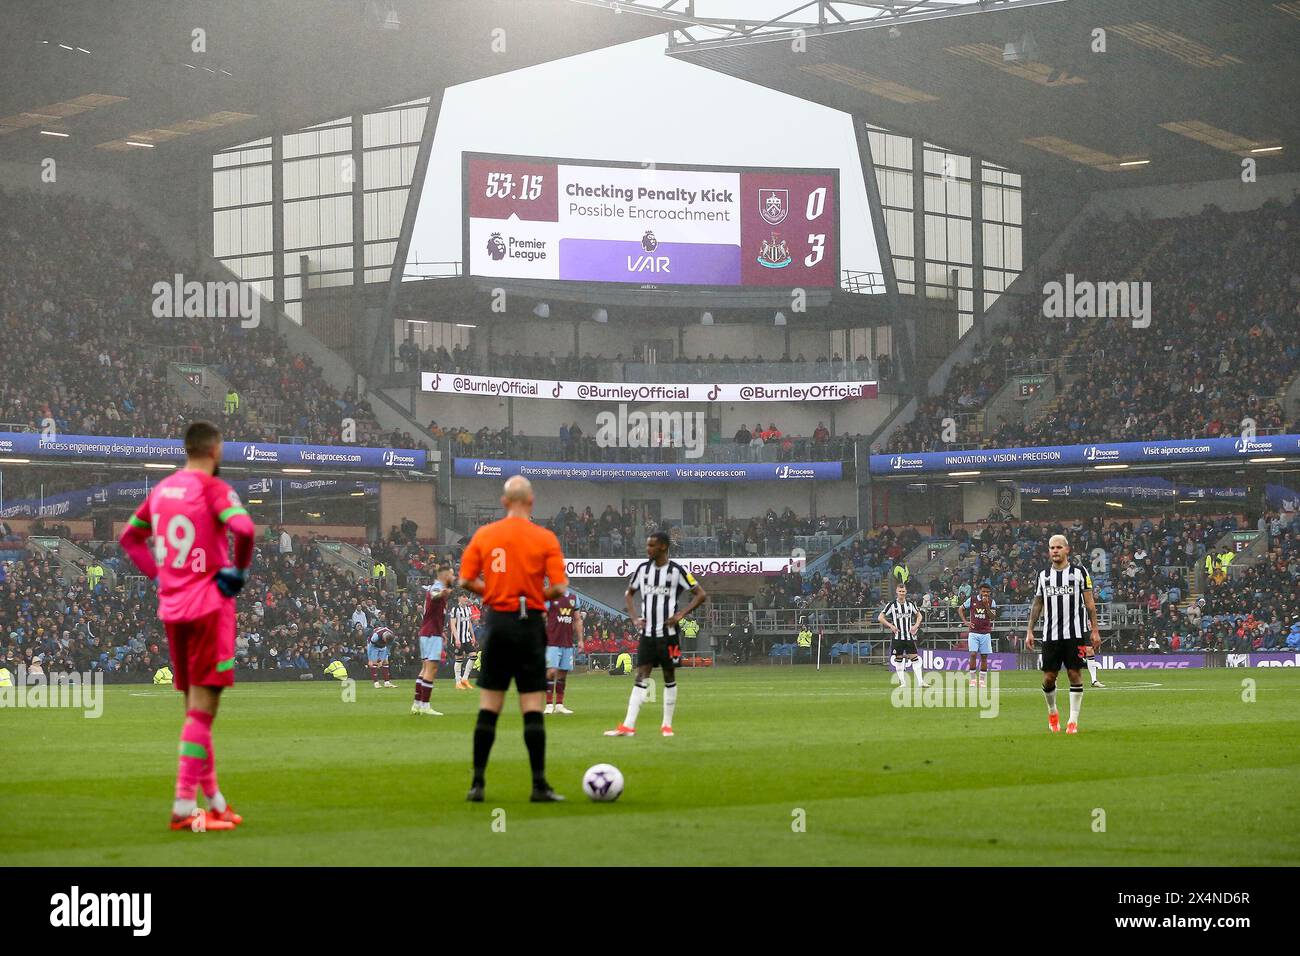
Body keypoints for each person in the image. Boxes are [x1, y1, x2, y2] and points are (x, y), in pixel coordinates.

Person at [118, 421, 255, 832]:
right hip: (209, 608)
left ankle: (213, 801)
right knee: (203, 710)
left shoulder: (162, 490)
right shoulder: (212, 488)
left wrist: (159, 576)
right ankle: (182, 807)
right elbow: (245, 529)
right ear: (215, 450)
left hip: (173, 609)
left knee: (195, 712)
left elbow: (130, 538)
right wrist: (238, 573)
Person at [457, 476, 568, 803]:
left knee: (490, 705)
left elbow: (465, 579)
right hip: (530, 623)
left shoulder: (485, 535)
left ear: (504, 502)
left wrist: (492, 592)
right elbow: (560, 588)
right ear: (531, 502)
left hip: (497, 622)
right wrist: (535, 595)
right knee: (532, 704)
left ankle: (477, 784)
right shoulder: (545, 538)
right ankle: (538, 785)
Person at [605, 531, 709, 738]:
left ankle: (666, 725)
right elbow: (629, 594)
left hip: (669, 634)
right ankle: (628, 726)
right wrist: (635, 618)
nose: (647, 549)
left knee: (669, 675)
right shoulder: (642, 570)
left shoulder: (677, 571)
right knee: (641, 674)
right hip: (648, 634)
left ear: (662, 546)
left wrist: (681, 614)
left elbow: (701, 594)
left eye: (651, 545)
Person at [1024, 534, 1101, 734]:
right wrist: (1030, 630)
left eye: (1059, 547)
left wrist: (1094, 630)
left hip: (1075, 634)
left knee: (1074, 674)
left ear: (1067, 550)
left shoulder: (1079, 572)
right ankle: (1052, 712)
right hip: (1051, 635)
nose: (1055, 551)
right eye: (1052, 548)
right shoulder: (1043, 576)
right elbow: (1037, 604)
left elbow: (1090, 604)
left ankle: (1073, 721)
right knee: (1049, 677)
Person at [412, 564, 453, 716]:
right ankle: (425, 705)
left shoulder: (436, 587)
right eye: (451, 575)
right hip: (431, 634)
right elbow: (435, 594)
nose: (453, 578)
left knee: (425, 668)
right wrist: (444, 592)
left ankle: (417, 704)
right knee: (431, 669)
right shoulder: (437, 587)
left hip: (428, 632)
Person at [544, 592, 584, 714]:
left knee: (563, 673)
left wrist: (581, 640)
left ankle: (560, 705)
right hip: (552, 642)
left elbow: (577, 619)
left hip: (567, 642)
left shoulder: (573, 598)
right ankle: (549, 704)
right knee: (551, 671)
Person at [879, 584, 925, 688]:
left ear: (906, 592)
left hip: (909, 637)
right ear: (896, 592)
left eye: (903, 591)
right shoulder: (892, 605)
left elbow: (919, 615)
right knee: (898, 659)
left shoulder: (910, 604)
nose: (901, 593)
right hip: (897, 637)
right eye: (900, 591)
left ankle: (921, 682)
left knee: (915, 658)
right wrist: (891, 625)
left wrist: (916, 626)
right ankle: (903, 683)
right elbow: (880, 617)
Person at [959, 582, 997, 686]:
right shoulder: (972, 600)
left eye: (987, 592)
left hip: (985, 632)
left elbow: (993, 617)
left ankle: (982, 680)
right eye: (983, 591)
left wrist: (986, 606)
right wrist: (965, 622)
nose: (985, 593)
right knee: (973, 654)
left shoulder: (991, 601)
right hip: (974, 632)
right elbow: (960, 609)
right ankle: (972, 679)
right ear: (980, 591)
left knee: (984, 656)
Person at [448, 593, 478, 689]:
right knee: (459, 658)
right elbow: (452, 624)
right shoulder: (455, 609)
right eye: (464, 597)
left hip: (467, 637)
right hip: (458, 638)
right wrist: (456, 639)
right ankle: (458, 682)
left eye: (466, 597)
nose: (466, 599)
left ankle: (465, 679)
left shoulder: (468, 609)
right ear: (459, 598)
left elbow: (469, 623)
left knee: (473, 656)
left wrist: (473, 636)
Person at [367, 618, 397, 688]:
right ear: (383, 637)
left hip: (383, 647)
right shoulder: (375, 637)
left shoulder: (392, 637)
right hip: (374, 647)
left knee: (385, 662)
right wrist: (370, 659)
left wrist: (382, 660)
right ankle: (376, 683)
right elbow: (370, 647)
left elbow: (388, 649)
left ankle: (387, 682)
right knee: (374, 663)